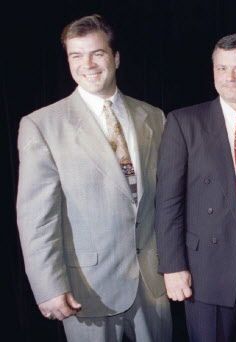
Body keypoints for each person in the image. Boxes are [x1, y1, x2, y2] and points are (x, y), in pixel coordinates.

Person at [15, 14, 171, 341]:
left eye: (97, 53)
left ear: (115, 58)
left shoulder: (153, 117)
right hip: (87, 290)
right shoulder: (42, 125)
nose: (87, 64)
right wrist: (48, 287)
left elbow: (167, 201)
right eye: (76, 55)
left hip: (153, 284)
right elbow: (37, 219)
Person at [155, 33, 236, 342]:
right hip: (207, 267)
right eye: (221, 68)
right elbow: (168, 201)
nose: (230, 77)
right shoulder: (184, 123)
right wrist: (173, 266)